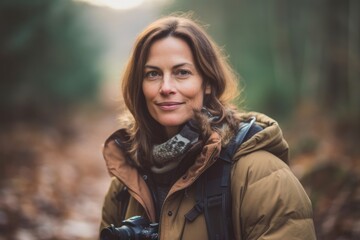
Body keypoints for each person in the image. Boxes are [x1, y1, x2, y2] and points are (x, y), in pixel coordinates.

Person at [99, 14, 316, 240]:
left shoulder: (261, 176)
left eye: (182, 72)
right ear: (139, 86)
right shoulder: (125, 184)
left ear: (209, 83)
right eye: (153, 74)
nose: (166, 87)